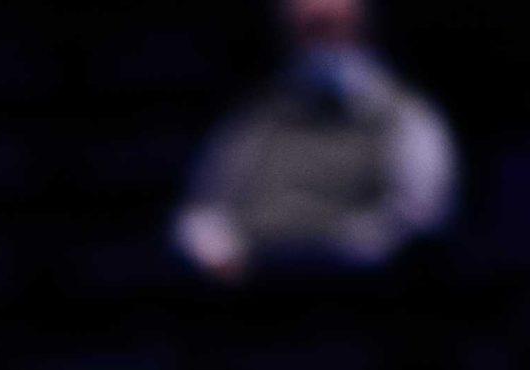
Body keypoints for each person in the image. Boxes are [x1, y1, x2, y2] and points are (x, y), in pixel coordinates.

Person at [173, 0, 458, 287]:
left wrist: (334, 254)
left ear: (363, 29)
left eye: (330, 28)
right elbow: (204, 207)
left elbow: (422, 215)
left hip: (366, 297)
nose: (321, 45)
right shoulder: (255, 120)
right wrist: (216, 249)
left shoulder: (406, 116)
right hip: (258, 292)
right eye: (309, 31)